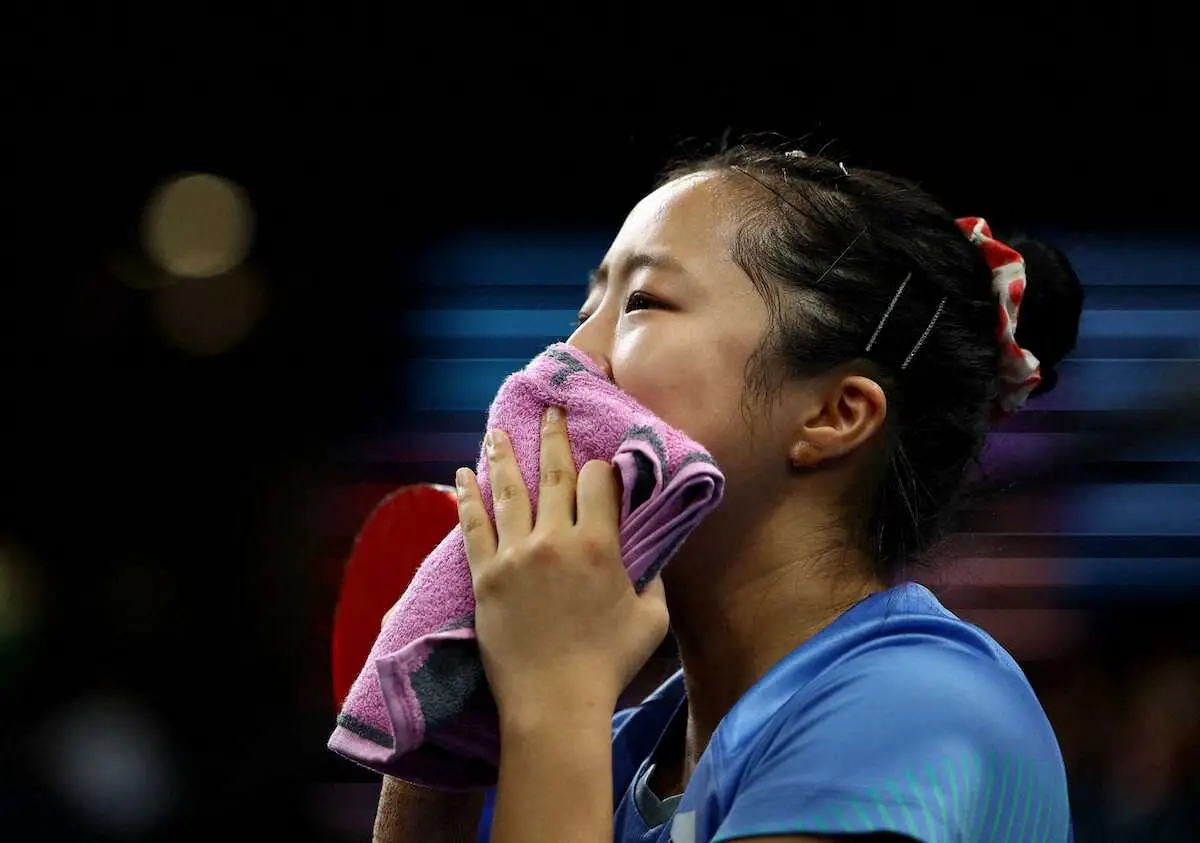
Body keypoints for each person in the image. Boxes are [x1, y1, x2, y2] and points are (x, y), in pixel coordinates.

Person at [371, 141, 1084, 843]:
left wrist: (553, 692)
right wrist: (450, 718)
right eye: (583, 311)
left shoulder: (917, 709)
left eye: (643, 302)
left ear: (835, 415)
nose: (569, 359)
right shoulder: (616, 754)